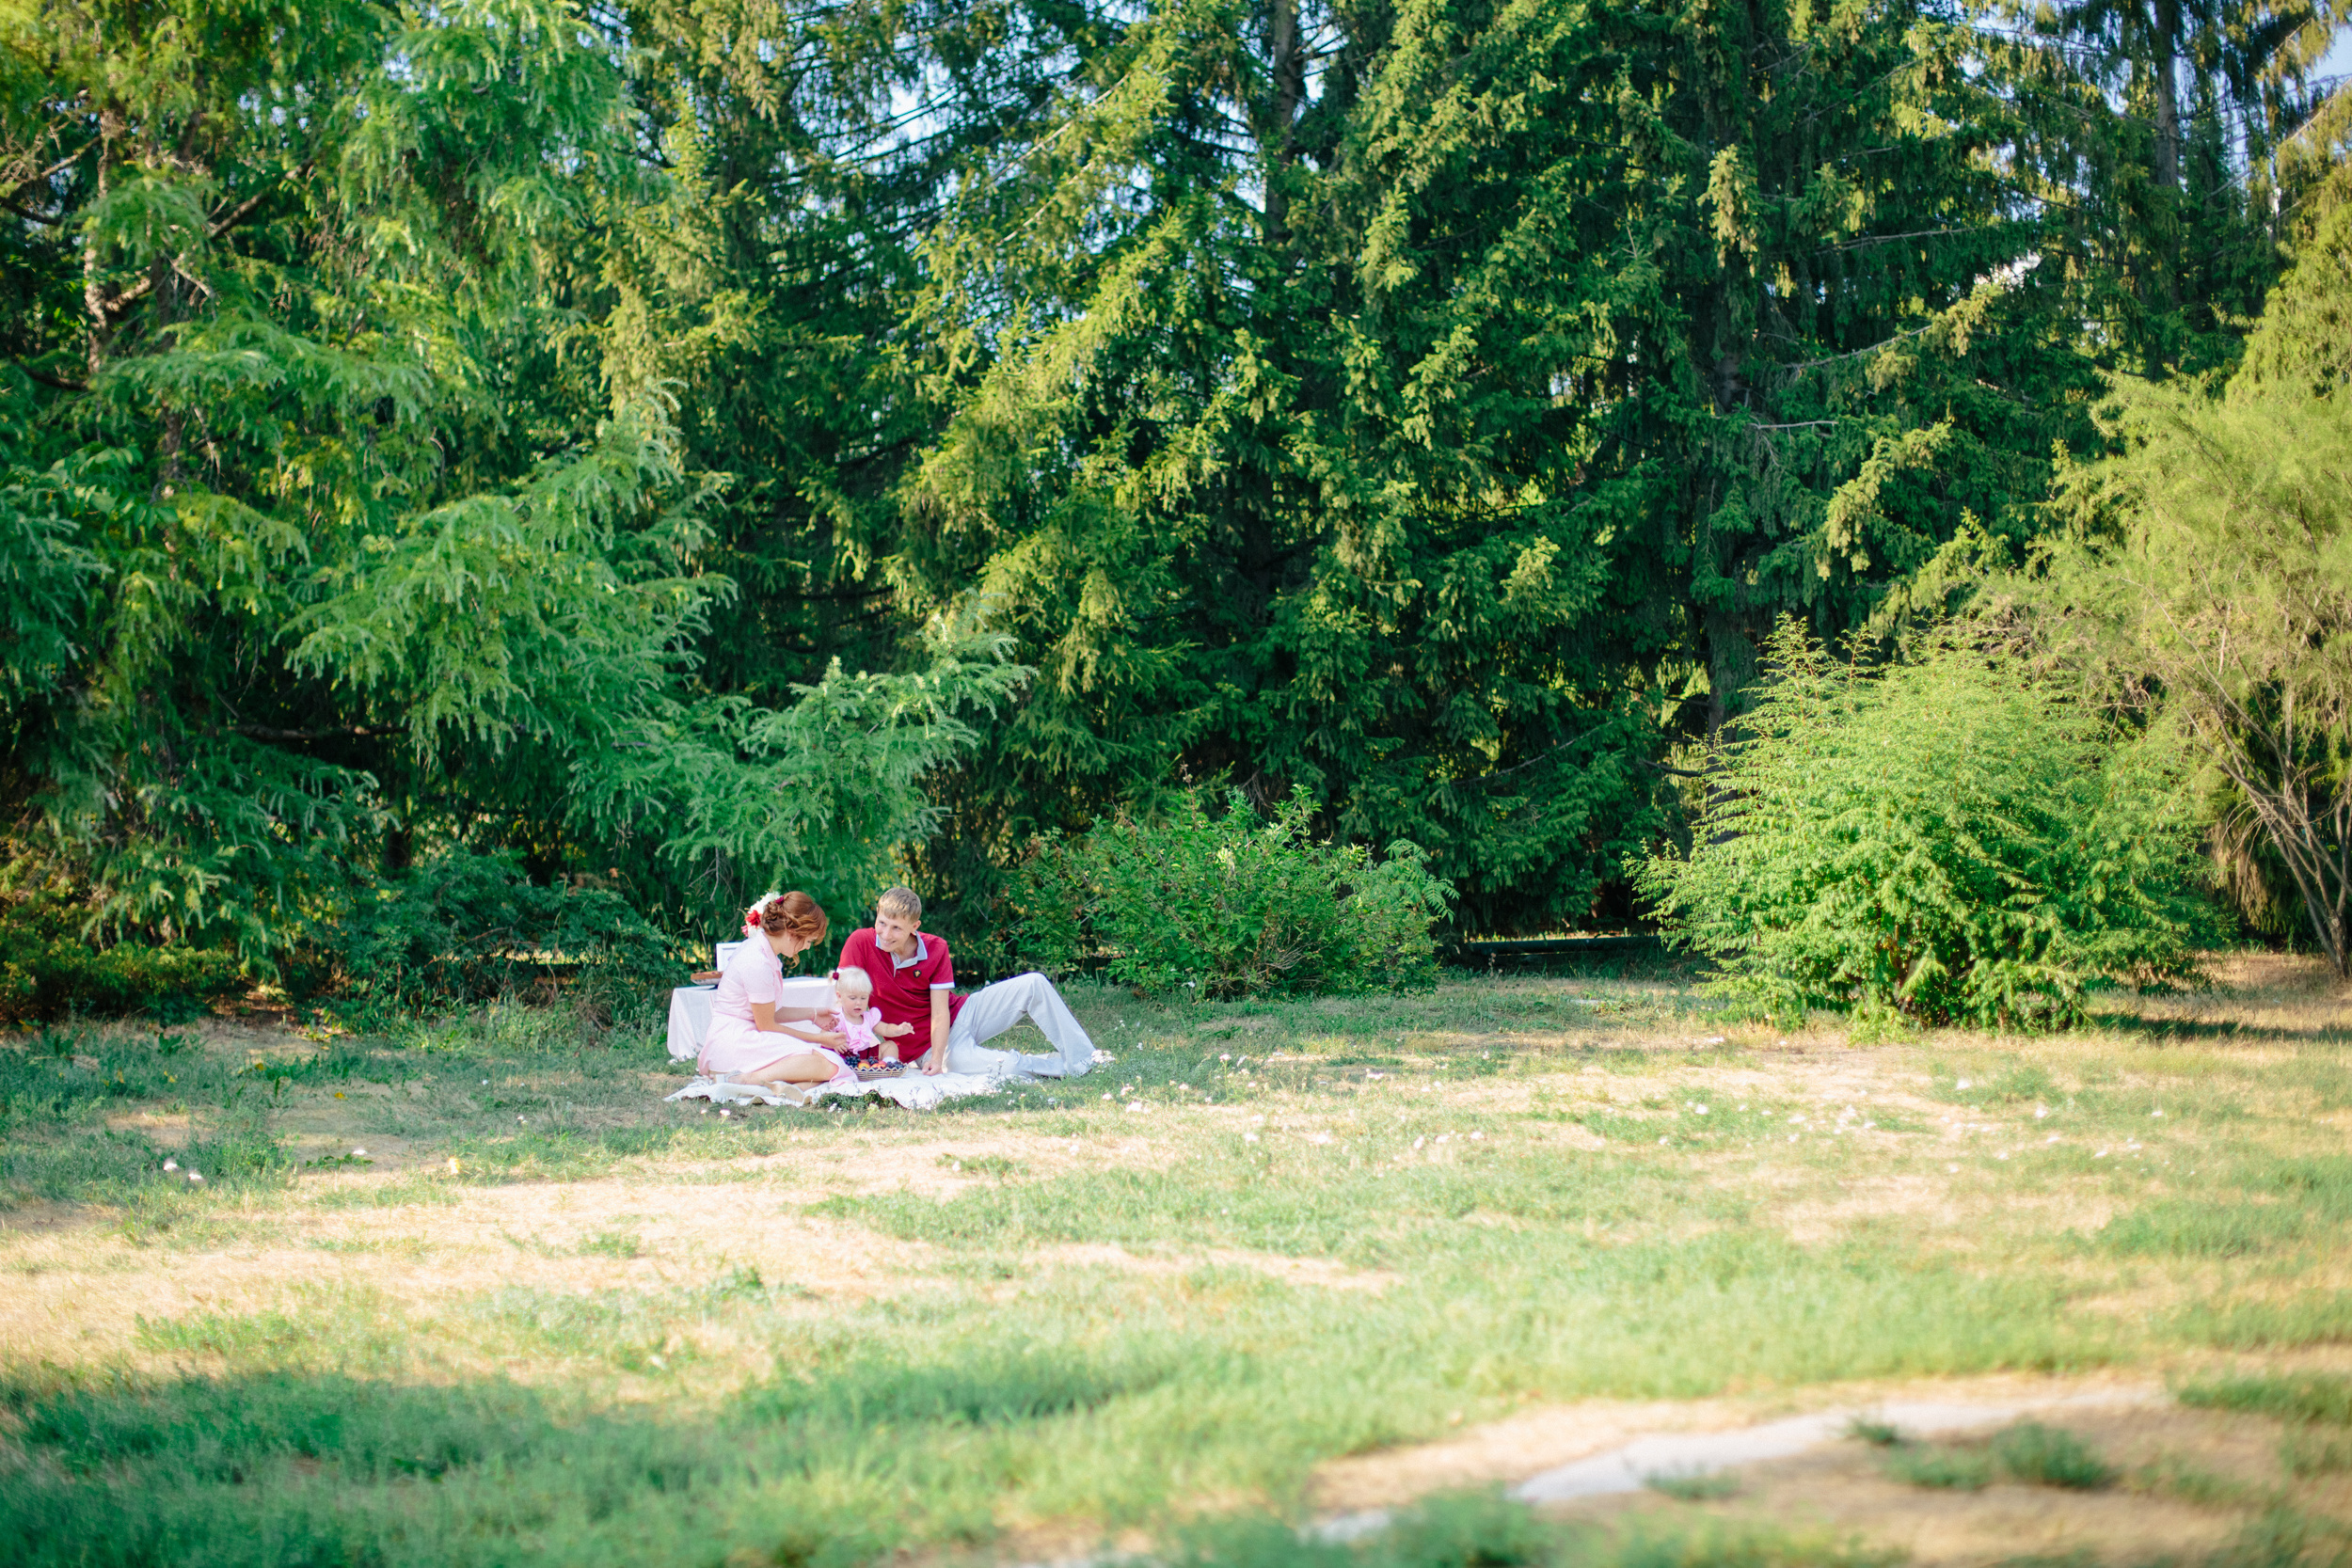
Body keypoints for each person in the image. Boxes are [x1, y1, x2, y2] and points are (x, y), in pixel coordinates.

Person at [835, 887, 1097, 1079]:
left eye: (896, 928)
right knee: (1008, 1068)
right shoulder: (860, 942)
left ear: (915, 926)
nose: (886, 934)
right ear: (877, 915)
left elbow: (940, 1012)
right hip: (925, 1046)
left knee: (1034, 983)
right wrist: (936, 1059)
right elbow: (841, 996)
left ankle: (1085, 1060)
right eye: (882, 923)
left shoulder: (936, 948)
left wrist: (939, 1058)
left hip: (962, 1013)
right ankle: (1057, 1068)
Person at [697, 891, 857, 1094]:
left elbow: (769, 1012)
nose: (807, 948)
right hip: (734, 1042)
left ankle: (769, 1087)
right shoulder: (757, 962)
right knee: (830, 1065)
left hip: (745, 1036)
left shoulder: (763, 953)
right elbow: (767, 1024)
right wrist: (818, 1038)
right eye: (808, 941)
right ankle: (747, 1080)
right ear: (792, 932)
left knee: (825, 1068)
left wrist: (813, 1013)